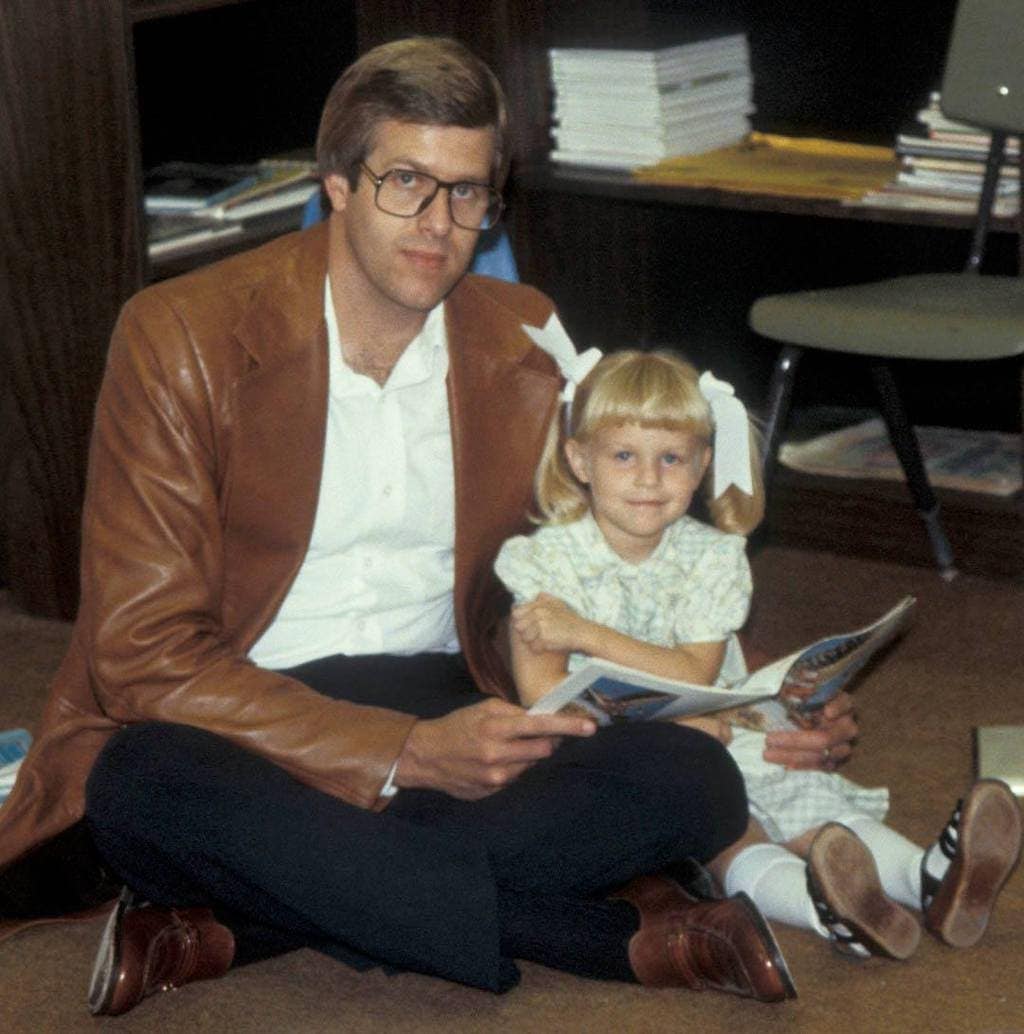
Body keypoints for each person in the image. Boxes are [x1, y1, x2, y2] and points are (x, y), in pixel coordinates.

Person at [0, 38, 867, 1017]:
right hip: (239, 705)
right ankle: (614, 938)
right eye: (405, 182)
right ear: (334, 182)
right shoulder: (179, 335)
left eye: (467, 193)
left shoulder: (520, 333)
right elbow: (140, 655)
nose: (438, 224)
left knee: (688, 776)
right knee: (138, 788)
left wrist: (747, 688)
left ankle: (233, 924)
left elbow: (609, 543)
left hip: (457, 686)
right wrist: (401, 754)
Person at [495, 348, 1023, 961]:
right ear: (579, 460)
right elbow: (541, 696)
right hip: (607, 752)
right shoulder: (543, 562)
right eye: (623, 456)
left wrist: (582, 631)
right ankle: (825, 909)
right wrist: (665, 723)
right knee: (725, 824)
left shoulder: (711, 557)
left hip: (723, 722)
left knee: (796, 785)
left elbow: (695, 672)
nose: (648, 479)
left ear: (701, 467)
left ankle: (926, 877)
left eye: (671, 458)